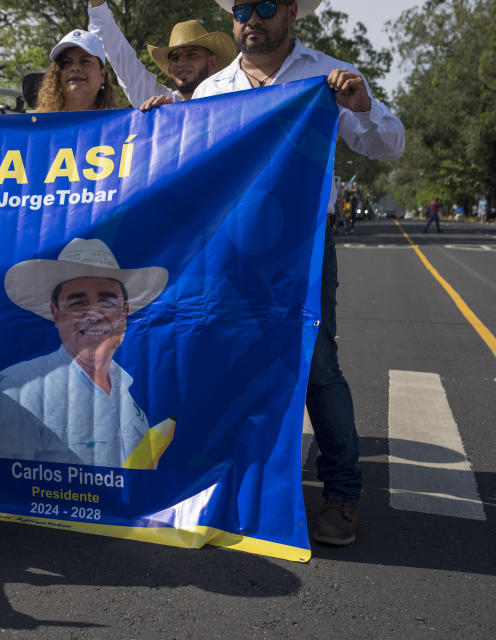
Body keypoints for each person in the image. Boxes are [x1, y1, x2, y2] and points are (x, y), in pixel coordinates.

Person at [194, 0, 406, 546]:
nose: (252, 19)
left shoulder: (327, 76)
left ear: (291, 12)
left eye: (265, 6)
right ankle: (234, 485)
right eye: (242, 8)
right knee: (226, 360)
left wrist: (361, 106)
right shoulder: (211, 90)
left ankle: (341, 493)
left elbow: (389, 145)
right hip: (225, 252)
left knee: (316, 365)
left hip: (302, 246)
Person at [0, 238, 169, 468]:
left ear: (124, 312)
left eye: (107, 302)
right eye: (78, 303)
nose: (94, 314)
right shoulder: (19, 387)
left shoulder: (127, 396)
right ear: (55, 314)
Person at [87, 0, 237, 108]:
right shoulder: (157, 103)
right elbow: (118, 52)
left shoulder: (231, 102)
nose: (181, 63)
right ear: (170, 69)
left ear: (212, 62)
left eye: (192, 54)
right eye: (174, 58)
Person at [35, 29, 118, 113]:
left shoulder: (120, 123)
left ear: (102, 75)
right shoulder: (39, 124)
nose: (75, 67)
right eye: (66, 62)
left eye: (85, 61)